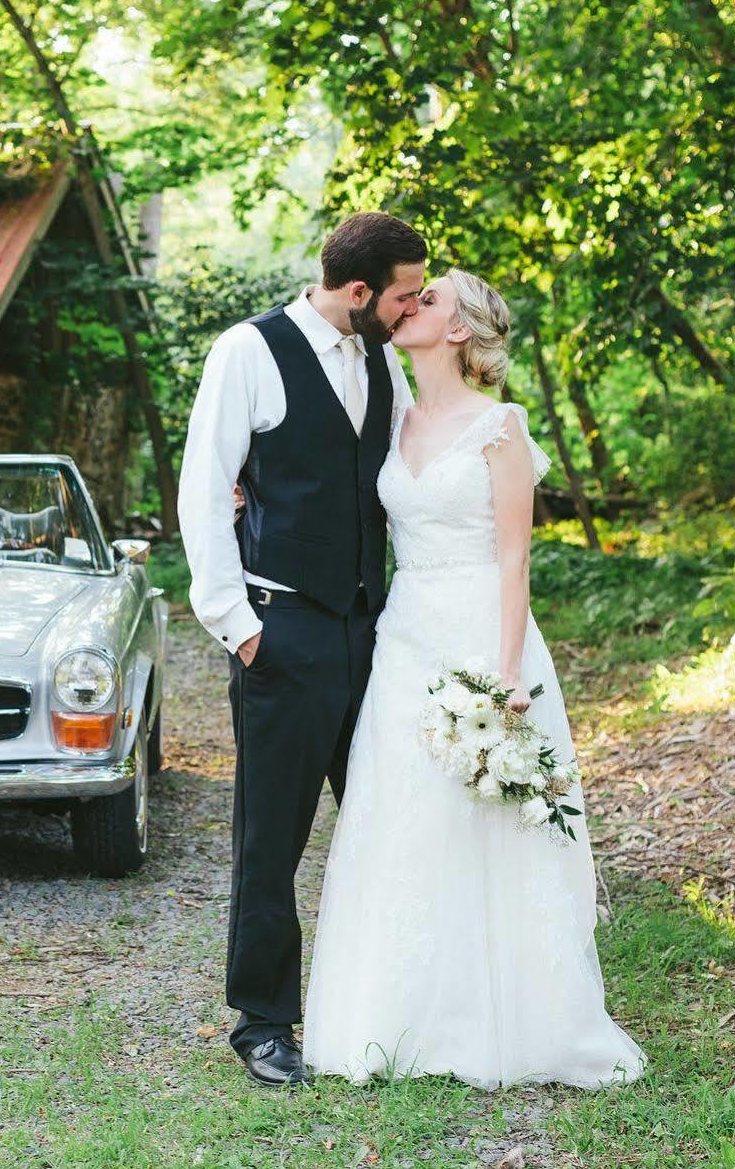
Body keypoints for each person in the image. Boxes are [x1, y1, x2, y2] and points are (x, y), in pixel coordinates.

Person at [303, 269, 645, 1089]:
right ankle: (394, 1019)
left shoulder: (500, 428)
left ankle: (512, 1020)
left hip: (482, 639)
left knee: (489, 826)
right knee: (400, 815)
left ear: (458, 332)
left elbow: (513, 556)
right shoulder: (389, 413)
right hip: (405, 638)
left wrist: (504, 673)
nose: (407, 305)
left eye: (427, 301)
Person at [175, 210, 426, 1087]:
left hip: (376, 636)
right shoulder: (246, 352)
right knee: (271, 836)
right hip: (281, 635)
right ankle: (263, 1023)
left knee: (389, 824)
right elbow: (204, 488)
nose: (412, 308)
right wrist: (238, 626)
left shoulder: (384, 359)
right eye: (403, 295)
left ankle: (389, 1004)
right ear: (357, 292)